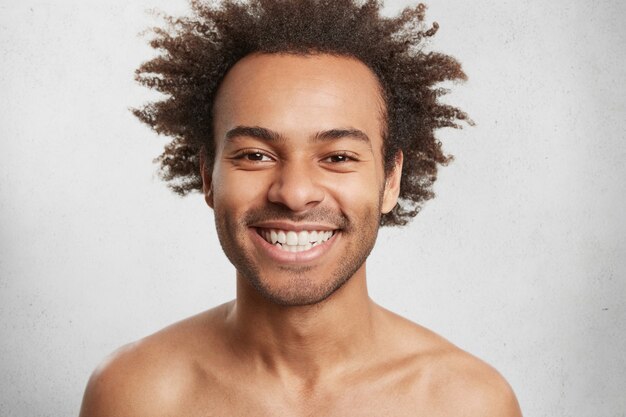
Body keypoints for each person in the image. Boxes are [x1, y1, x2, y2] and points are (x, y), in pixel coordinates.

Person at [80, 0, 522, 415]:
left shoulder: (467, 403)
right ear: (207, 177)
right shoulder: (135, 395)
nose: (293, 193)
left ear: (390, 180)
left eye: (338, 157)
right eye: (255, 155)